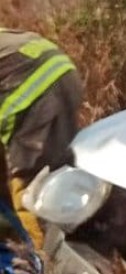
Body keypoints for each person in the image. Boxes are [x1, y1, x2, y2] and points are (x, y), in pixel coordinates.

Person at [0, 28, 82, 246]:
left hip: (32, 90)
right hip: (62, 71)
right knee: (60, 170)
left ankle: (42, 259)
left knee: (29, 187)